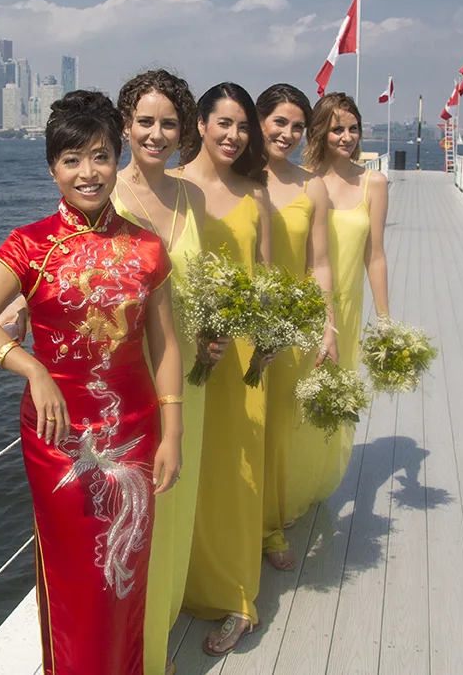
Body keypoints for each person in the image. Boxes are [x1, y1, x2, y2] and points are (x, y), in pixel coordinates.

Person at [0, 90, 184, 675]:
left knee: (124, 572)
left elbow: (165, 346)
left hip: (134, 428)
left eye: (101, 156)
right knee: (74, 574)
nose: (88, 172)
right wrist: (30, 365)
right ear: (52, 168)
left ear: (117, 159)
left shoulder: (146, 247)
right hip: (58, 436)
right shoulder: (30, 243)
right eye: (72, 159)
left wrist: (174, 433)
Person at [112, 69, 215, 675]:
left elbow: (201, 282)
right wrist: (21, 305)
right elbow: (65, 261)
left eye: (168, 123)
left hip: (185, 378)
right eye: (145, 121)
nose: (156, 134)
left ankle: (156, 641)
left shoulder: (191, 196)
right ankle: (136, 654)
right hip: (127, 381)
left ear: (184, 131)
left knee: (173, 509)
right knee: (134, 518)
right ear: (125, 126)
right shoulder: (106, 193)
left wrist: (215, 333)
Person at [177, 82, 272, 656]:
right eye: (224, 123)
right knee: (189, 467)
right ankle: (183, 582)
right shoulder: (172, 185)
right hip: (182, 351)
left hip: (240, 356)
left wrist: (271, 337)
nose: (234, 136)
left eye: (243, 126)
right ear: (201, 124)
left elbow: (264, 276)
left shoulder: (255, 193)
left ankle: (238, 597)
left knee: (236, 474)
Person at [255, 83, 337, 572]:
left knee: (277, 429)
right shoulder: (234, 177)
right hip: (235, 321)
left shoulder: (312, 186)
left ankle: (268, 525)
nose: (287, 133)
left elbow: (319, 263)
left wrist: (328, 327)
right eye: (279, 122)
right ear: (259, 121)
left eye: (297, 127)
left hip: (290, 326)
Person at [301, 92, 390, 499]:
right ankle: (290, 484)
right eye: (337, 128)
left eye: (353, 129)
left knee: (333, 401)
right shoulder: (302, 179)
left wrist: (384, 319)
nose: (347, 137)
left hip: (348, 311)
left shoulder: (373, 182)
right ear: (321, 130)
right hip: (304, 307)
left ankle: (317, 485)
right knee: (298, 397)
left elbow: (376, 255)